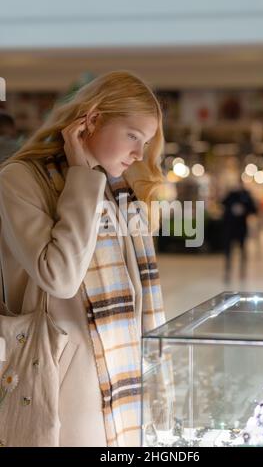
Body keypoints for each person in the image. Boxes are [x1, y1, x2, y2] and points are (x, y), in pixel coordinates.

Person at [0, 71, 166, 447]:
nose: (139, 153)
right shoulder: (20, 180)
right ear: (91, 120)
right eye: (133, 136)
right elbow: (59, 276)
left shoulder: (118, 192)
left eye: (147, 141)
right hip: (62, 377)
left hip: (121, 368)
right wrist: (80, 177)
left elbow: (139, 296)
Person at [222, 182, 257, 282]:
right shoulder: (230, 196)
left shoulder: (246, 196)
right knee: (228, 251)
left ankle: (242, 271)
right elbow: (223, 204)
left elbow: (253, 210)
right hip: (230, 228)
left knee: (242, 249)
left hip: (241, 228)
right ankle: (227, 270)